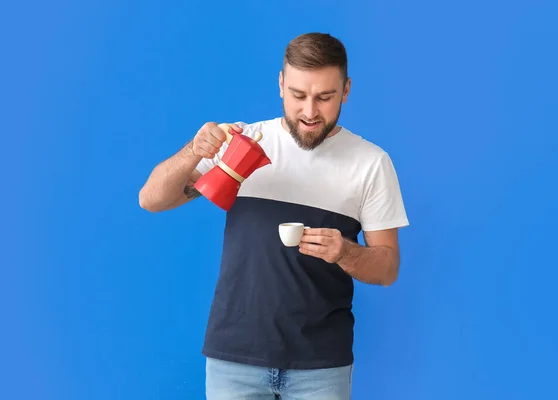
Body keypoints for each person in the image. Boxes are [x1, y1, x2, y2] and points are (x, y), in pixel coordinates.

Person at [139, 32, 409, 400]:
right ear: (281, 85)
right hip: (233, 358)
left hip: (321, 365)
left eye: (325, 97)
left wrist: (345, 251)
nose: (310, 111)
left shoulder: (371, 163)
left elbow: (387, 267)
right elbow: (151, 199)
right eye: (298, 95)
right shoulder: (243, 143)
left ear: (346, 90)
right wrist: (192, 150)